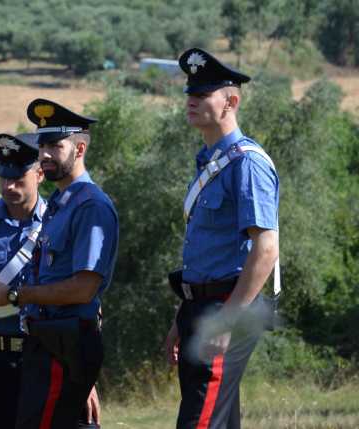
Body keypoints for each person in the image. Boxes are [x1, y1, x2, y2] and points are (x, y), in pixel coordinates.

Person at [0, 99, 118, 429]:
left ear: (80, 148)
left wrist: (15, 296)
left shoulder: (90, 205)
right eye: (43, 145)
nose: (46, 154)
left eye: (56, 145)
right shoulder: (60, 203)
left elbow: (84, 288)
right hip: (47, 339)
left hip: (64, 338)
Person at [0, 132, 101, 429]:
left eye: (18, 178)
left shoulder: (63, 221)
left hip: (48, 354)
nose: (8, 186)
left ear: (40, 173)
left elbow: (83, 296)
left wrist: (84, 377)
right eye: (3, 177)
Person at [164, 48, 280, 429]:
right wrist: (183, 316)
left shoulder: (247, 163)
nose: (191, 100)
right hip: (200, 304)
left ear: (231, 101)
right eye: (189, 93)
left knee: (200, 419)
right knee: (217, 416)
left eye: (202, 94)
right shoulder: (209, 160)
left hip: (226, 306)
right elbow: (206, 254)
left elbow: (265, 248)